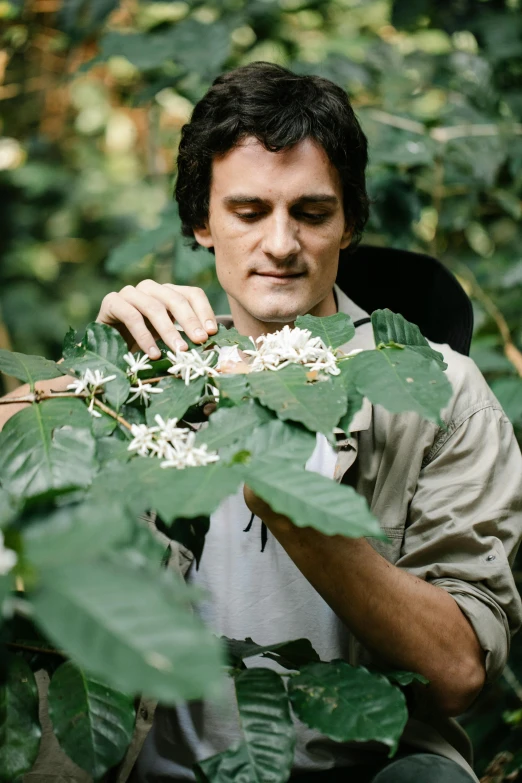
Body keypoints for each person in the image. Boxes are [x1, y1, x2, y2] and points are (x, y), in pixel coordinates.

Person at [1, 63, 521, 783]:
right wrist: (90, 384)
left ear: (350, 222)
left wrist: (295, 510)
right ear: (201, 221)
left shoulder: (439, 390)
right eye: (249, 211)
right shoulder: (148, 371)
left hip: (363, 765)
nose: (281, 244)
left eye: (311, 212)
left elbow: (459, 670)